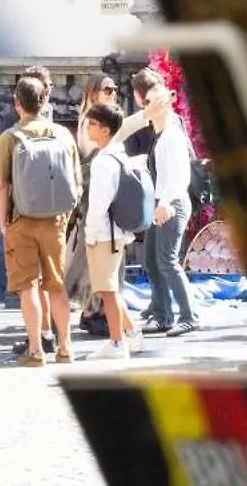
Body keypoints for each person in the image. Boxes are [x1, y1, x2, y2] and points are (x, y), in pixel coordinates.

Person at [0, 75, 81, 366]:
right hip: (55, 219)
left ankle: (35, 349)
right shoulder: (63, 135)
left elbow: (1, 186)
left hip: (22, 219)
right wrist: (64, 217)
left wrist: (4, 224)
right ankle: (66, 347)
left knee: (27, 286)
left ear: (17, 102)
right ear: (45, 101)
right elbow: (77, 183)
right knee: (56, 285)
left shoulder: (9, 137)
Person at [133, 68, 199, 337]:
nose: (150, 107)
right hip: (162, 203)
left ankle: (188, 315)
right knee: (152, 260)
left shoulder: (171, 134)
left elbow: (181, 175)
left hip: (172, 204)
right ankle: (163, 315)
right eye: (148, 102)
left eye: (156, 101)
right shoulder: (161, 133)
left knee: (168, 261)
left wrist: (167, 203)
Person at [83, 103, 143, 360]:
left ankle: (117, 341)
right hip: (115, 231)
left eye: (93, 124)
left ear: (105, 130)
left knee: (107, 290)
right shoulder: (118, 155)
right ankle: (130, 332)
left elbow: (99, 202)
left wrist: (90, 232)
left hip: (104, 233)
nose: (88, 128)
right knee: (111, 289)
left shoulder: (104, 161)